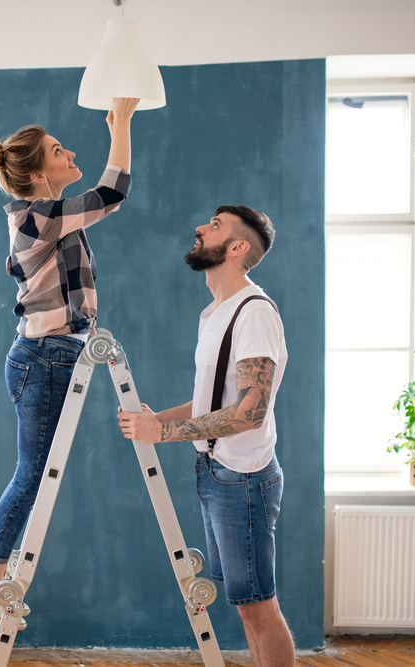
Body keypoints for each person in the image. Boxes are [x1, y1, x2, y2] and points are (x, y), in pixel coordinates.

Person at [0, 97, 140, 629]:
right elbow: (112, 192)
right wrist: (123, 124)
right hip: (43, 358)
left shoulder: (53, 218)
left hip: (56, 355)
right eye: (59, 151)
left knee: (38, 471)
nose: (70, 153)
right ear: (39, 172)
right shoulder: (36, 217)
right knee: (33, 472)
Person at [117, 205, 294, 667]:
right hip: (216, 473)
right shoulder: (216, 311)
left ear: (236, 249)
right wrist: (157, 420)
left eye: (214, 226)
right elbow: (215, 403)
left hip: (243, 480)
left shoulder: (253, 313)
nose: (199, 227)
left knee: (258, 607)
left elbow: (249, 412)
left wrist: (165, 431)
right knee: (245, 605)